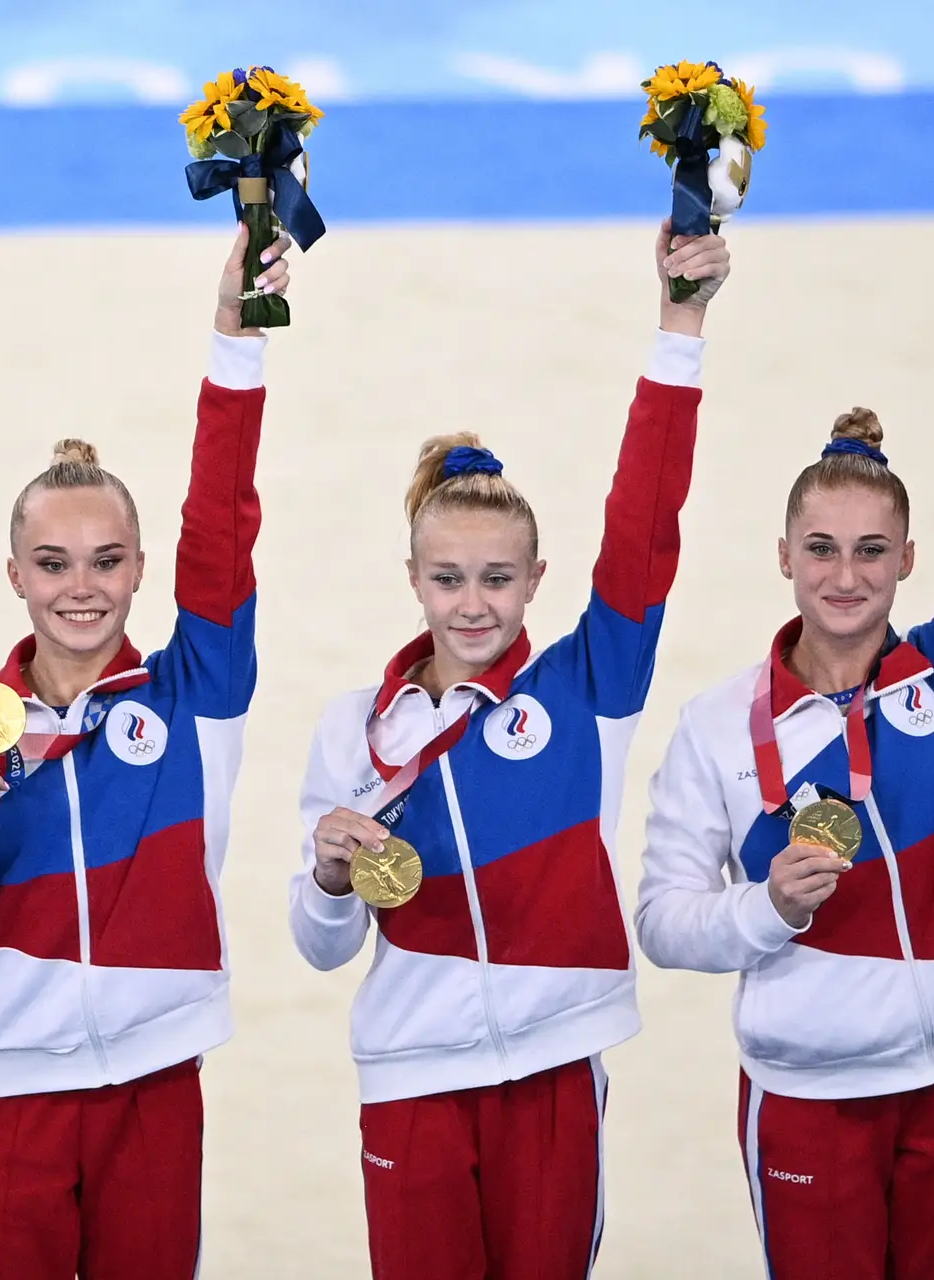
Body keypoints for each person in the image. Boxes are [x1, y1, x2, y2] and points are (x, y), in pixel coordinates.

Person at [289, 222, 732, 1278]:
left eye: (498, 577)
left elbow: (645, 530)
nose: (474, 602)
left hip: (552, 1064)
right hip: (407, 1074)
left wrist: (679, 327)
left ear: (538, 579)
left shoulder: (587, 690)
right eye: (449, 578)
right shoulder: (360, 729)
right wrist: (329, 874)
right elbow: (317, 945)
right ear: (413, 578)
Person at [634, 209, 934, 1279]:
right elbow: (665, 921)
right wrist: (763, 907)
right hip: (810, 1095)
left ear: (911, 557)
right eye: (821, 548)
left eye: (872, 550)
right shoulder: (720, 726)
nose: (847, 575)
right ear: (783, 554)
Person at [0, 225, 292, 1280]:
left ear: (143, 567)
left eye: (107, 561)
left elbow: (225, 524)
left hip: (155, 1084)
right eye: (53, 562)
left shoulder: (195, 701)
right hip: (7, 1098)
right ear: (13, 572)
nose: (81, 586)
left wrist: (235, 336)